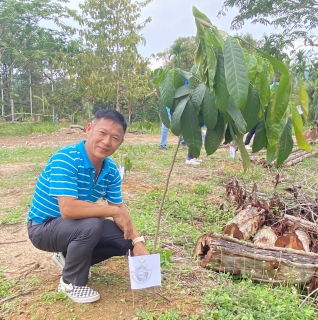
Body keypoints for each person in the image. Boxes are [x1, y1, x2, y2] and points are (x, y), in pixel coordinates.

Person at [27, 109, 149, 303]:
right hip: (43, 228)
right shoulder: (66, 158)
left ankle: (69, 258)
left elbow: (120, 209)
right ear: (89, 129)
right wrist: (111, 211)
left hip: (72, 227)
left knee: (123, 238)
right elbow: (68, 209)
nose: (107, 141)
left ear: (121, 142)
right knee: (92, 224)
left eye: (115, 137)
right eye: (102, 133)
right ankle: (71, 283)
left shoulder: (110, 171)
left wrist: (137, 241)